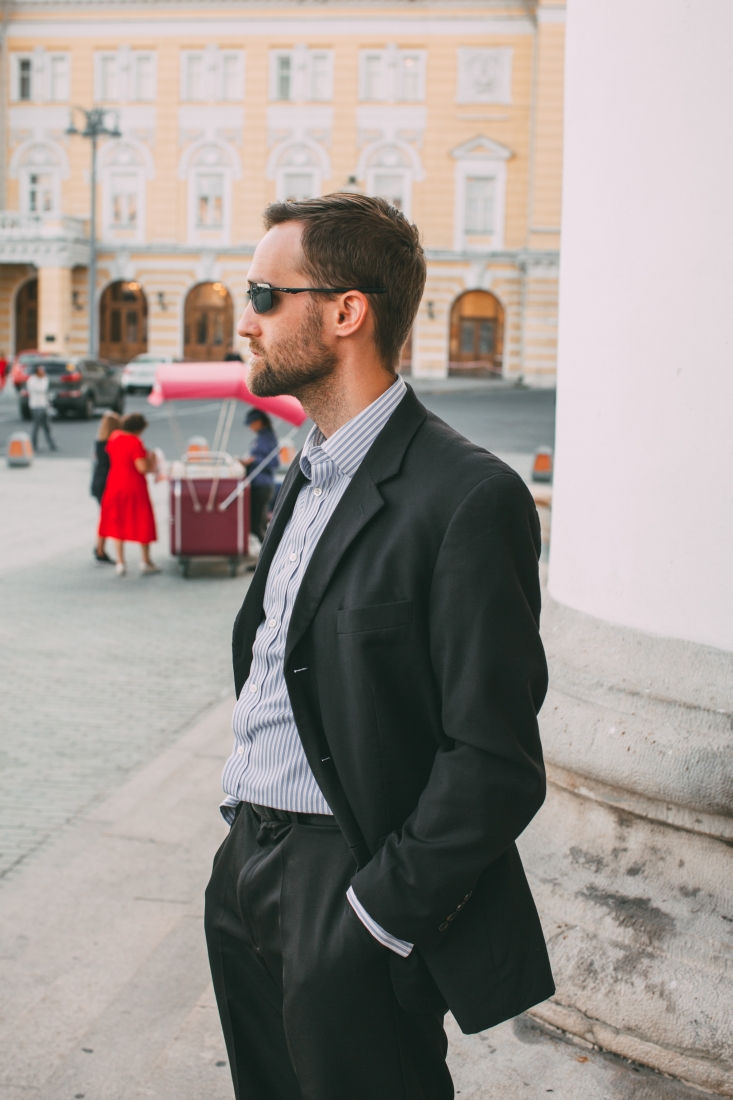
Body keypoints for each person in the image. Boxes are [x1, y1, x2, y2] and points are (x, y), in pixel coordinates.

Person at [205, 194, 554, 1100]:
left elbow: (494, 759)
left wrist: (375, 914)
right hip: (247, 864)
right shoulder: (309, 466)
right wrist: (239, 849)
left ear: (345, 311)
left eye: (263, 294)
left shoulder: (468, 495)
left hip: (348, 882)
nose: (243, 320)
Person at [98, 412, 159, 576]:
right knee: (142, 519)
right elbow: (142, 467)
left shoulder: (114, 437)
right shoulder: (135, 442)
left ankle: (120, 561)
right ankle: (145, 560)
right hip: (133, 486)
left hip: (114, 484)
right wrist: (152, 459)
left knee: (118, 521)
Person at [242, 408, 279, 542]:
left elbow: (274, 462)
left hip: (263, 485)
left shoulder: (267, 438)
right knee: (259, 522)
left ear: (259, 421)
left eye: (251, 423)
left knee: (257, 524)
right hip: (257, 484)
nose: (250, 426)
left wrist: (254, 460)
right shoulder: (260, 438)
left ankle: (267, 553)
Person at [91, 411, 122, 562]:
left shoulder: (99, 442)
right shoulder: (114, 443)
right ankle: (100, 550)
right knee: (107, 517)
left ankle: (99, 547)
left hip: (97, 481)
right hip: (107, 483)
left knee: (105, 516)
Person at [26, 364, 57, 452]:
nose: (43, 372)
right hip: (35, 406)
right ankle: (33, 445)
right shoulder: (32, 380)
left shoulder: (44, 379)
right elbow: (41, 389)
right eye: (41, 370)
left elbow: (44, 388)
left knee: (47, 427)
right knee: (36, 427)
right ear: (36, 371)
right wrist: (42, 379)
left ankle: (52, 444)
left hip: (44, 405)